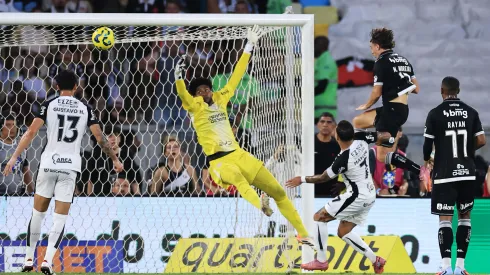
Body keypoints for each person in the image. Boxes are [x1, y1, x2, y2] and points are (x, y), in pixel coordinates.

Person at [174, 25, 314, 246]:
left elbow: (238, 75)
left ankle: (303, 234)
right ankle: (260, 204)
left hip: (239, 153)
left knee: (278, 191)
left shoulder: (221, 98)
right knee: (238, 180)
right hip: (218, 161)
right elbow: (183, 93)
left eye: (206, 88)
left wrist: (248, 46)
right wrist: (179, 78)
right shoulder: (194, 107)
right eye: (199, 90)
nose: (204, 92)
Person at [2, 70, 123, 275]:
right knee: (60, 218)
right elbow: (100, 137)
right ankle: (48, 262)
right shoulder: (85, 108)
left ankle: (28, 259)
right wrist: (114, 159)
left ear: (56, 86)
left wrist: (14, 157)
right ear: (76, 87)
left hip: (48, 164)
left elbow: (31, 132)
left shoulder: (48, 104)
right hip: (70, 168)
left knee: (38, 213)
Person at [286, 121, 386, 273]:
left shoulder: (343, 159)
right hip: (370, 194)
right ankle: (375, 260)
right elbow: (384, 137)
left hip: (357, 196)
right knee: (343, 232)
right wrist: (386, 136)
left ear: (337, 137)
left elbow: (323, 178)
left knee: (319, 217)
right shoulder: (361, 138)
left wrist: (302, 179)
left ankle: (320, 260)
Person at [423, 76, 486, 275]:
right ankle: (460, 266)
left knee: (445, 219)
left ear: (442, 90)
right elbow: (482, 140)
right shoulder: (471, 112)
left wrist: (429, 159)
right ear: (458, 90)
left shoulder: (435, 114)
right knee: (465, 218)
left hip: (444, 173)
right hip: (467, 173)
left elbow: (427, 147)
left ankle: (444, 267)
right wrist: (466, 149)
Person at [352, 28, 422, 176]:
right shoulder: (404, 60)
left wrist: (367, 104)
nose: (371, 52)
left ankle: (420, 170)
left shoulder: (381, 62)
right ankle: (361, 160)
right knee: (358, 122)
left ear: (377, 46)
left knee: (382, 156)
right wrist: (399, 85)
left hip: (391, 112)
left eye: (372, 48)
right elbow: (416, 89)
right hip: (397, 110)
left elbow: (376, 92)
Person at [0, 113, 34, 195]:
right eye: (8, 125)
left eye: (14, 125)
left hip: (16, 195)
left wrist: (32, 191)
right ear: (1, 127)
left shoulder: (21, 147)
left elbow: (25, 171)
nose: (11, 128)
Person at [314, 112, 341, 197]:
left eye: (329, 122)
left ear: (334, 126)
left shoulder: (338, 145)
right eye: (322, 122)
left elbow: (346, 166)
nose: (325, 125)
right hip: (311, 189)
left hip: (331, 191)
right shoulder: (308, 143)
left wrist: (342, 183)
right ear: (317, 124)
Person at [314, 36, 338, 118]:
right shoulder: (320, 60)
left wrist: (303, 94)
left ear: (321, 46)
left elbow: (321, 86)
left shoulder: (326, 61)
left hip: (324, 110)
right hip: (319, 109)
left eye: (314, 45)